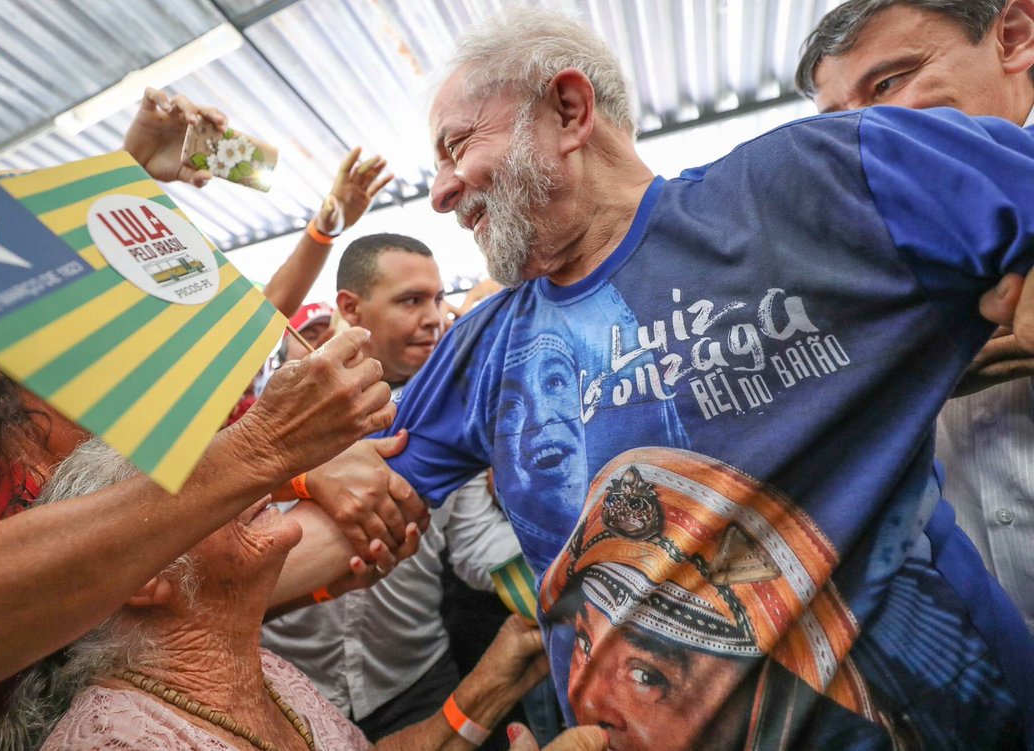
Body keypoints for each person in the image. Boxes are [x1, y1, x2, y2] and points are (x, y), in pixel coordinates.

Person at [383, 6, 1034, 747]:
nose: (438, 190)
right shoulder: (487, 343)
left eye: (456, 146)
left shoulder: (803, 178)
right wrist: (274, 463)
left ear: (569, 110)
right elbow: (347, 511)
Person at [0, 311, 414, 749]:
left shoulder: (110, 425)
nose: (163, 383)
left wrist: (322, 477)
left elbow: (190, 585)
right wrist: (266, 450)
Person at [0, 438, 581, 751]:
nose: (255, 485)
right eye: (208, 484)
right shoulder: (117, 741)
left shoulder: (268, 673)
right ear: (141, 577)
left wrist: (490, 684)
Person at [796, 0, 1034, 635]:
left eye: (889, 82)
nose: (862, 135)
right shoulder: (846, 275)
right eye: (835, 120)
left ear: (1012, 40)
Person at [262, 233, 524, 741]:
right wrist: (300, 474)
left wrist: (569, 564)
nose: (435, 316)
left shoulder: (454, 418)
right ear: (350, 308)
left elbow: (473, 545)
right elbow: (216, 507)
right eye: (410, 300)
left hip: (416, 683)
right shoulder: (286, 408)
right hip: (285, 682)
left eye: (438, 298)